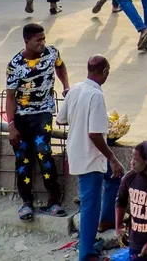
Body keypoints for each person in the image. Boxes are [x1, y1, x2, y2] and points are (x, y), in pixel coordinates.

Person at [56, 55, 124, 261]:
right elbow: (95, 134)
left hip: (77, 152)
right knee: (89, 206)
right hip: (90, 158)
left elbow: (61, 119)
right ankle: (86, 253)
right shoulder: (95, 96)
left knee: (114, 178)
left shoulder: (75, 89)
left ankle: (106, 220)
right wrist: (112, 157)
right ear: (104, 72)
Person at [5, 23, 70, 221]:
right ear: (26, 41)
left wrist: (66, 86)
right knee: (23, 158)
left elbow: (60, 66)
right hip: (22, 116)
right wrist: (11, 126)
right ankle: (26, 202)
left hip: (43, 112)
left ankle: (54, 200)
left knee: (44, 152)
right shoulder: (15, 65)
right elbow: (9, 97)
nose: (42, 43)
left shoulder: (51, 53)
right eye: (38, 40)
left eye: (44, 39)